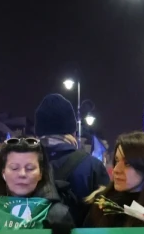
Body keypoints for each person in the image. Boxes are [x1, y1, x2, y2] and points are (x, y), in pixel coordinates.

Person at [33, 93, 109, 223]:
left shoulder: (21, 166)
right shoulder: (92, 166)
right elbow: (108, 215)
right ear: (73, 131)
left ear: (38, 130)